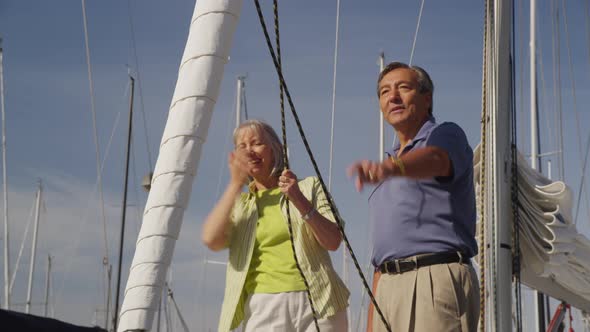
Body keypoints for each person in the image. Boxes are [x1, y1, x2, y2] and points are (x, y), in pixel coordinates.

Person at [348, 62, 480, 332]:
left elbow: (437, 159)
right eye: (384, 92)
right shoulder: (389, 163)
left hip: (433, 279)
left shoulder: (445, 134)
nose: (392, 97)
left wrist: (392, 169)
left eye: (403, 88)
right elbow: (383, 253)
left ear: (427, 98)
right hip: (386, 286)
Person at [202, 119, 349, 331]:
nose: (249, 151)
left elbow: (333, 241)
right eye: (242, 147)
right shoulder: (239, 205)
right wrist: (235, 183)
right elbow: (211, 239)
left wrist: (298, 198)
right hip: (263, 305)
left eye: (256, 143)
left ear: (275, 149)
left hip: (320, 300)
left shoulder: (309, 187)